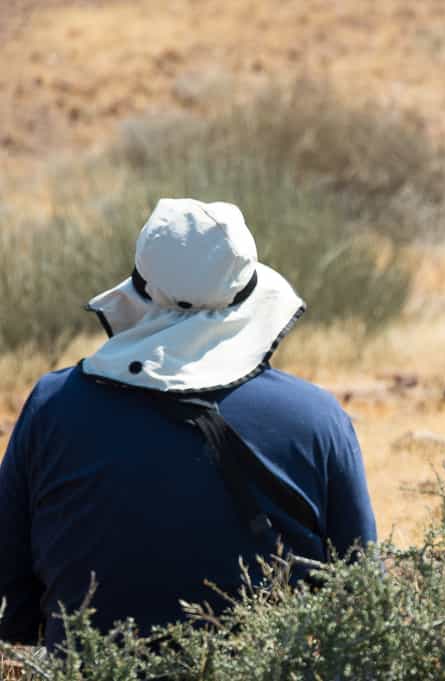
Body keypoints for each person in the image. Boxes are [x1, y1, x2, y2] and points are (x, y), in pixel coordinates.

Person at [0, 198, 377, 648]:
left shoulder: (51, 406)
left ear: (141, 291)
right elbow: (364, 601)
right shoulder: (316, 420)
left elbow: (14, 593)